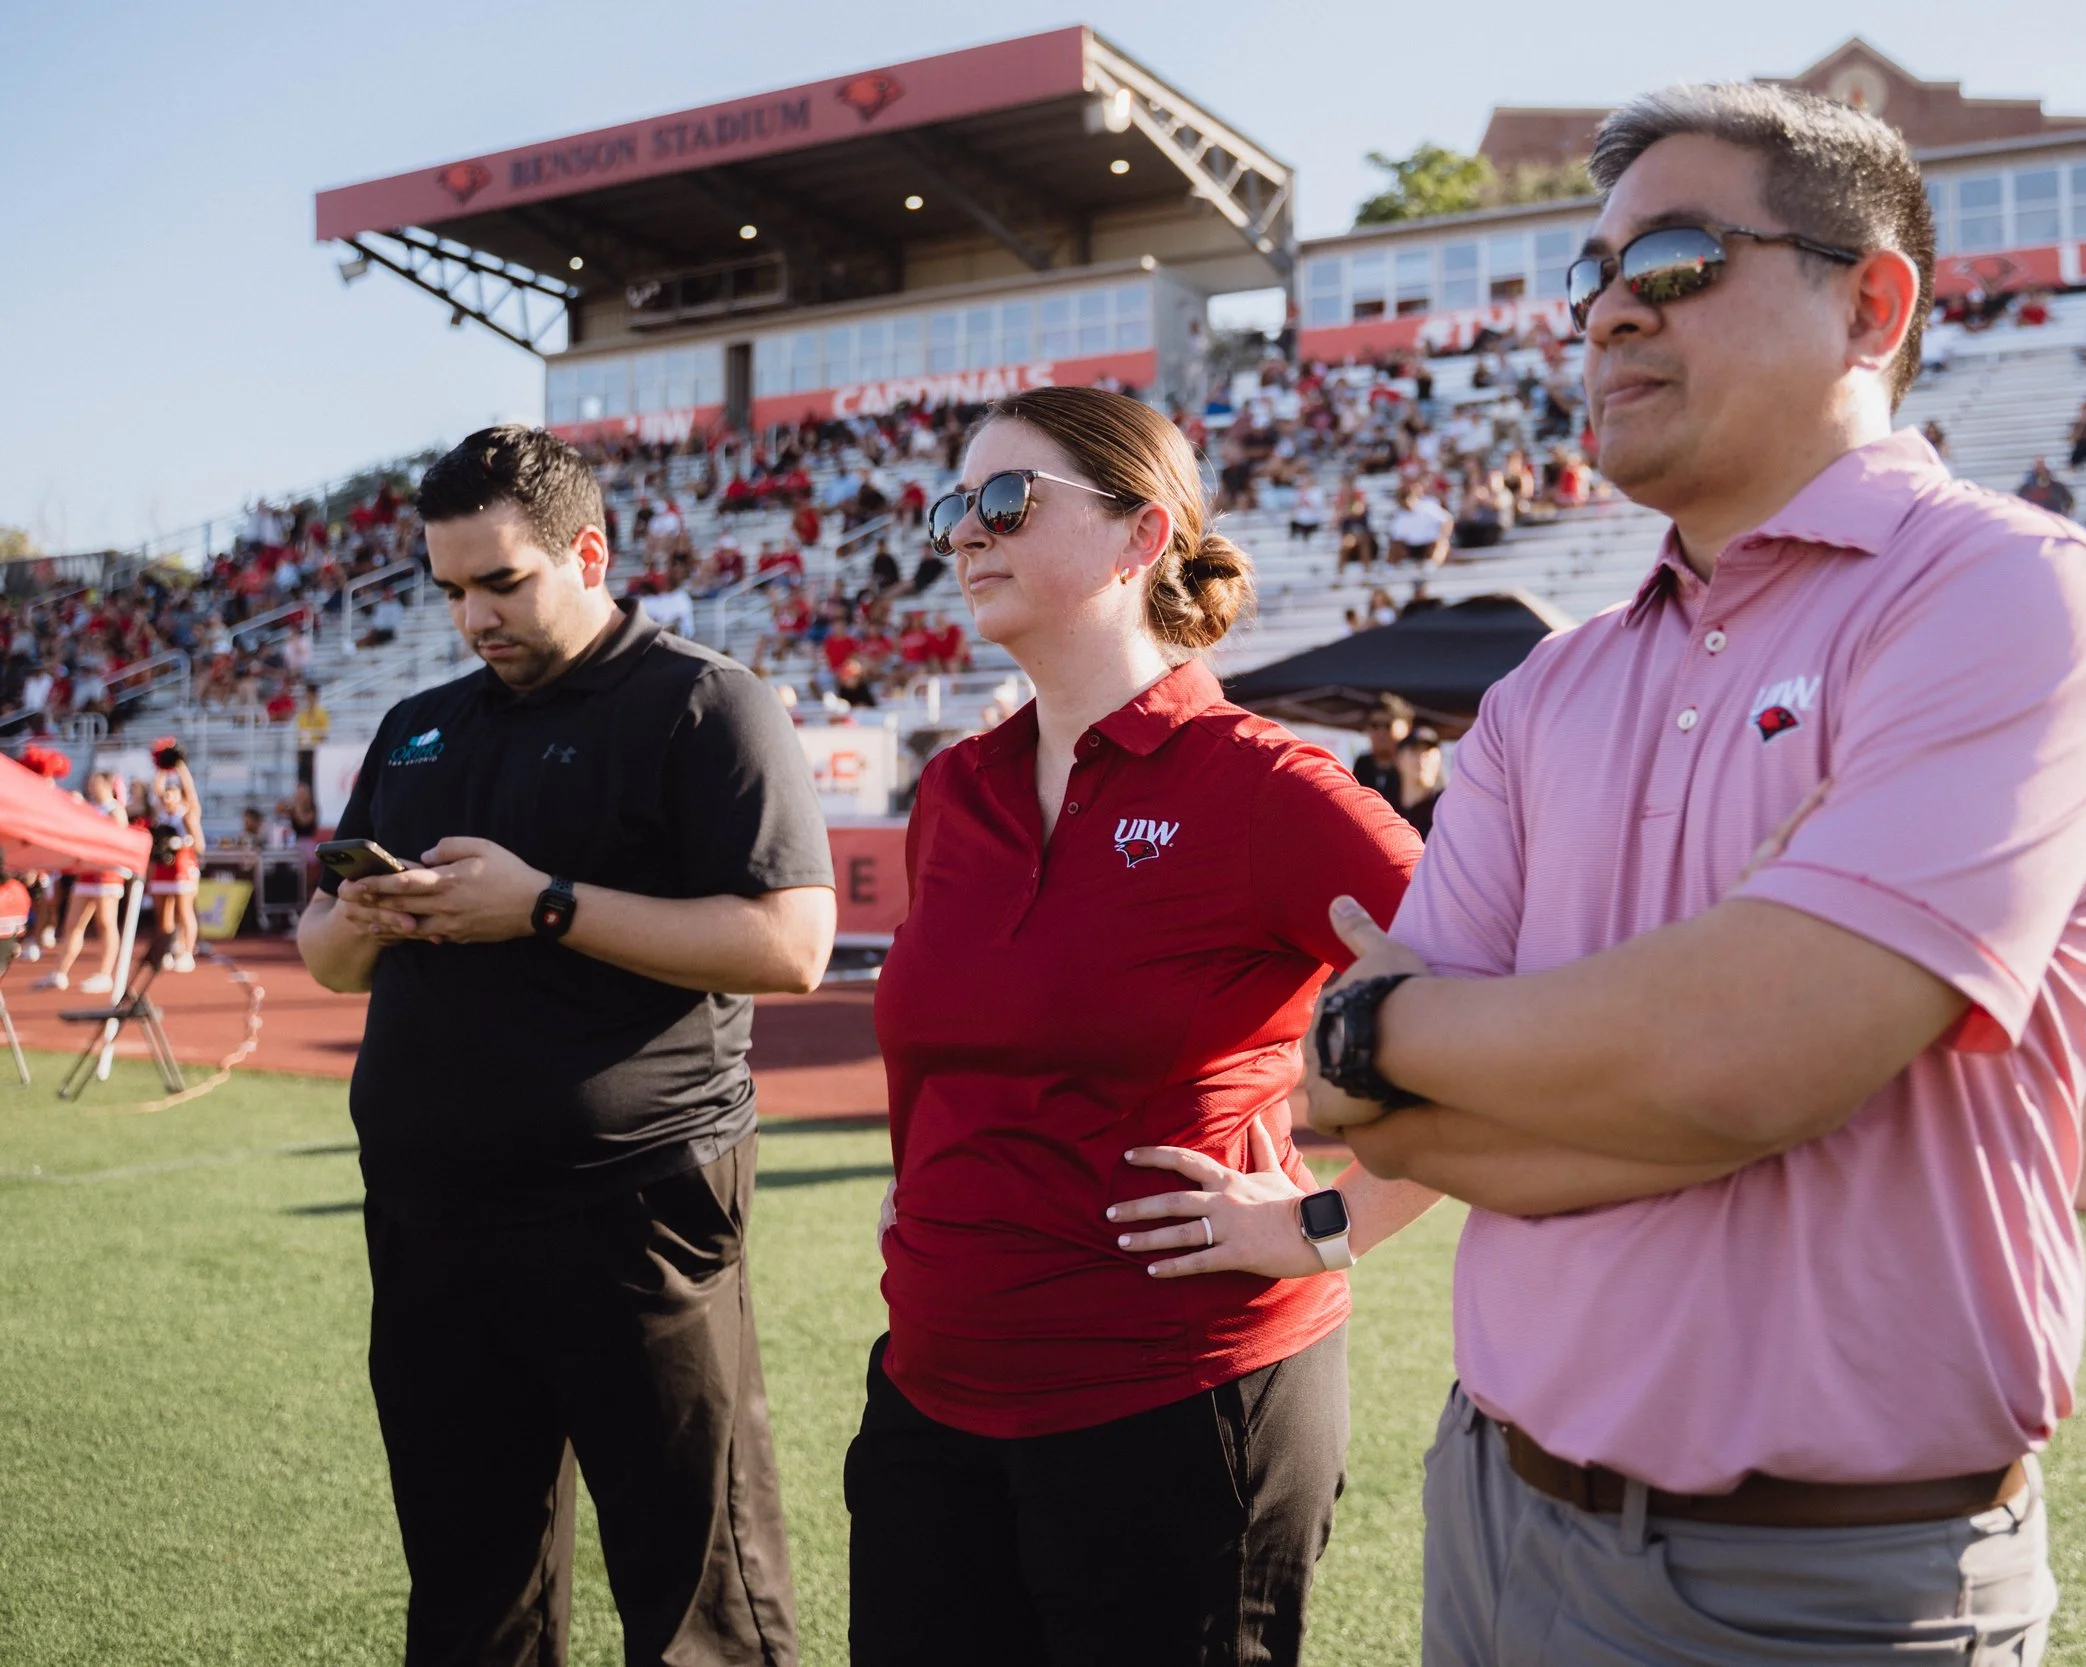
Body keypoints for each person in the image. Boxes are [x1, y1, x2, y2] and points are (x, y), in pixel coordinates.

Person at [1302, 82, 2086, 1663]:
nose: (1609, 309)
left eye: (1677, 258)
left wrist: (1383, 1025)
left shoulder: (2009, 593)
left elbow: (1738, 1054)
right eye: (1593, 272)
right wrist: (1680, 1062)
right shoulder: (1543, 689)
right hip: (1488, 1499)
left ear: (1872, 304)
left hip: (1816, 1579)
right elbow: (1378, 1122)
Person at [854, 385, 1441, 1666]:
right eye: (951, 507)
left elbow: (1501, 995)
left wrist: (1327, 1222)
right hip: (928, 1395)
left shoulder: (1265, 784)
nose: (965, 532)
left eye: (1006, 499)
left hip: (1177, 1406)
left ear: (1141, 535)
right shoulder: (955, 787)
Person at [296, 425, 838, 1667]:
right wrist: (366, 914)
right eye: (450, 589)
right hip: (428, 1215)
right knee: (468, 1594)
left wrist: (542, 904)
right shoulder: (419, 723)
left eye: (502, 581)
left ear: (588, 553)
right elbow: (327, 958)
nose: (473, 616)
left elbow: (792, 943)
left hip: (633, 1207)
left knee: (699, 1602)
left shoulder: (704, 700)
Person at [34, 772, 129, 995]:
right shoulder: (90, 808)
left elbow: (119, 841)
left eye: (97, 784)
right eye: (91, 784)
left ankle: (105, 974)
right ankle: (59, 972)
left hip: (107, 873)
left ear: (108, 786)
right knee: (72, 924)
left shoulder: (115, 810)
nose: (93, 788)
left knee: (105, 923)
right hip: (86, 872)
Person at [145, 739, 203, 973]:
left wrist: (179, 766)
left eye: (172, 794)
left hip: (182, 864)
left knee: (184, 910)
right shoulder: (160, 813)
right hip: (163, 865)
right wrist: (162, 766)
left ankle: (187, 952)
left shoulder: (187, 811)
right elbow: (156, 789)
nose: (168, 798)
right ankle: (167, 949)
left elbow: (190, 791)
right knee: (163, 913)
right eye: (166, 795)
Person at [1352, 693, 1415, 803]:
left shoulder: (1416, 767)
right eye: (1375, 725)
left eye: (1388, 725)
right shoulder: (1362, 766)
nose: (1381, 733)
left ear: (1407, 728)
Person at [1387, 483, 1454, 568]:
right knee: (1395, 545)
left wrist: (1443, 535)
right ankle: (1389, 569)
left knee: (1442, 543)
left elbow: (1447, 520)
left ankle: (1431, 566)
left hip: (1429, 545)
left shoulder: (1428, 507)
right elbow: (1396, 537)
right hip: (1410, 547)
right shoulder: (1398, 514)